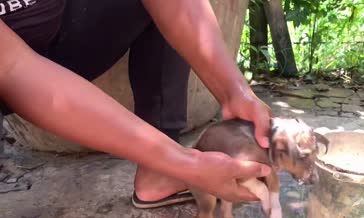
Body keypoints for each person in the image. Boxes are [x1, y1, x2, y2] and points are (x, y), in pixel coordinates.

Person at [0, 0, 273, 206]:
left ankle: (158, 174)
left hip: (59, 30)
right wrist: (185, 162)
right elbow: (13, 68)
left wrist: (235, 91)